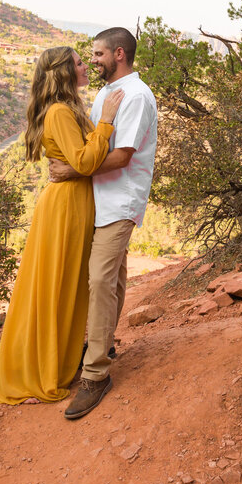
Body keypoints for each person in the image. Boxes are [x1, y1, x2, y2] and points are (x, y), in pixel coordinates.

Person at [0, 46, 124, 405]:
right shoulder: (61, 111)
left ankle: (64, 357)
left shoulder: (68, 108)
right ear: (65, 72)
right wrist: (107, 122)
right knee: (59, 286)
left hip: (74, 201)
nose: (87, 66)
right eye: (80, 63)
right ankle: (44, 370)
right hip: (66, 207)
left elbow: (77, 162)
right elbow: (83, 160)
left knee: (66, 286)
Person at [47, 27, 157, 420]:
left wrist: (73, 172)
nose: (92, 61)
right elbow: (93, 146)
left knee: (98, 280)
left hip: (120, 199)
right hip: (99, 201)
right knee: (113, 279)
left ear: (119, 54)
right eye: (89, 56)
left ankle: (95, 374)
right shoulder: (105, 94)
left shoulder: (136, 96)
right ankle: (103, 346)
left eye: (97, 54)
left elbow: (122, 155)